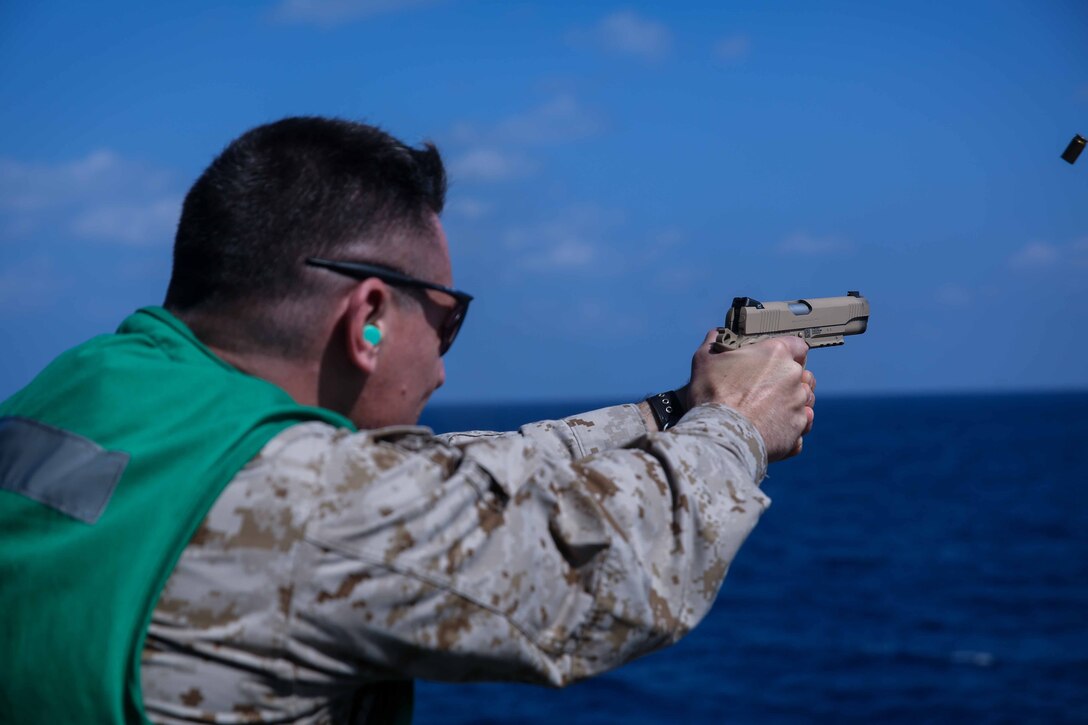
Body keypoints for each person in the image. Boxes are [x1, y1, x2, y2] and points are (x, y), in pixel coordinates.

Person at [0, 117, 815, 724]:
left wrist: (667, 413)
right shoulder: (304, 507)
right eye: (447, 321)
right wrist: (737, 424)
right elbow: (613, 582)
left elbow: (426, 481)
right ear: (370, 319)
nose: (444, 363)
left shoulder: (86, 391)